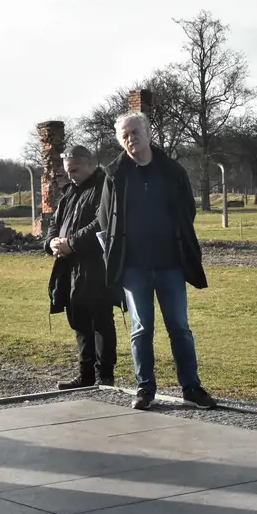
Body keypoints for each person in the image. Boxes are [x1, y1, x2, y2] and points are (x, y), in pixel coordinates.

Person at [97, 111, 216, 411]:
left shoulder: (172, 171)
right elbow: (104, 218)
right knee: (141, 328)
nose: (131, 139)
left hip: (170, 264)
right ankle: (145, 387)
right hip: (134, 267)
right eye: (124, 135)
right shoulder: (114, 175)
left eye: (135, 132)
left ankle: (191, 386)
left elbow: (187, 211)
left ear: (149, 132)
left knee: (179, 326)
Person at [45, 145, 121, 389]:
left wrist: (72, 244)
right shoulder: (69, 192)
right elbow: (54, 223)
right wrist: (52, 243)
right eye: (67, 171)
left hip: (96, 267)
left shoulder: (104, 187)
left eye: (75, 170)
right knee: (78, 321)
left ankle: (104, 376)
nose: (70, 175)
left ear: (89, 163)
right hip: (69, 268)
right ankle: (85, 375)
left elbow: (102, 222)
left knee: (100, 321)